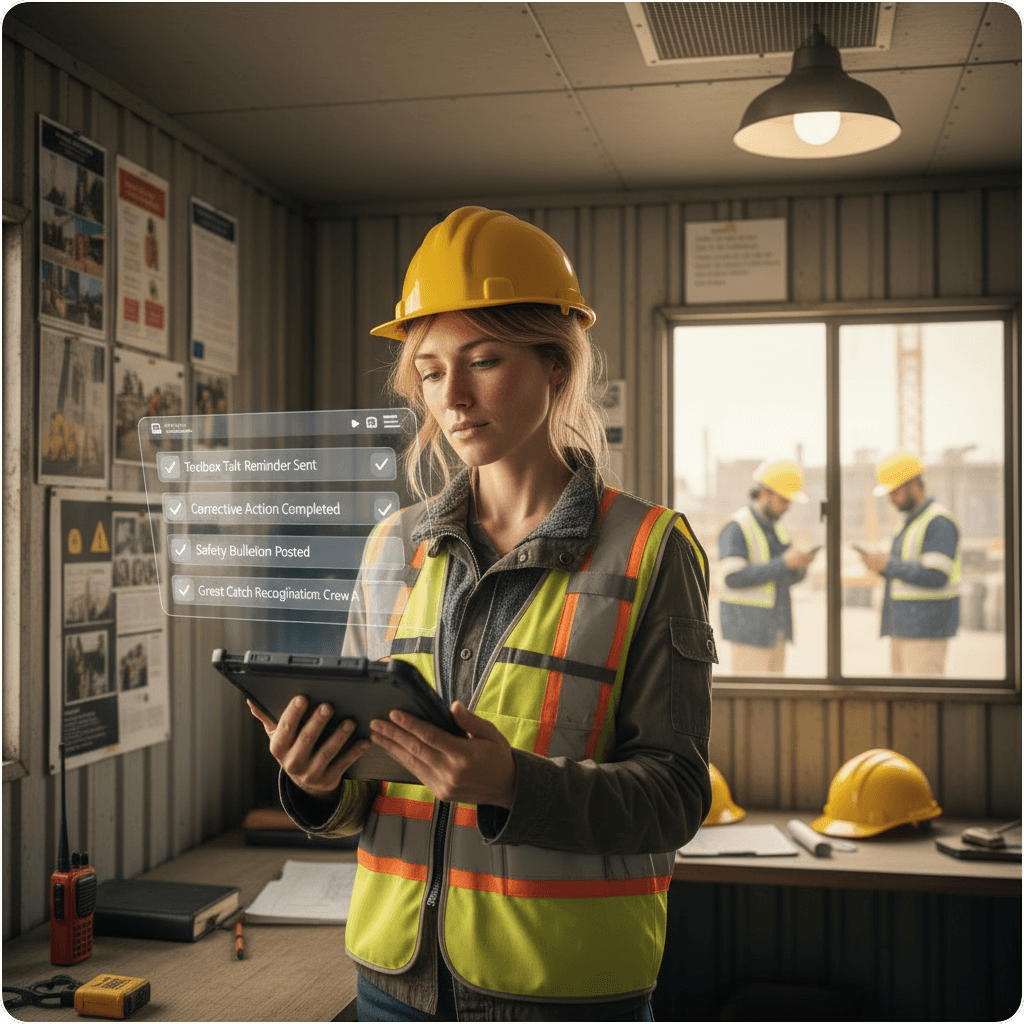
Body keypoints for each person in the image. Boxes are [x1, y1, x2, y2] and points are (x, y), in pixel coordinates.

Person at [248, 206, 715, 1021]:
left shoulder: (651, 550)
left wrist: (511, 784)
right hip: (393, 988)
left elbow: (675, 799)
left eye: (484, 360)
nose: (452, 397)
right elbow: (366, 796)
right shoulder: (394, 548)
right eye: (429, 371)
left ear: (557, 367)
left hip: (564, 995)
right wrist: (315, 783)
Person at [857, 451, 960, 677]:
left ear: (914, 486)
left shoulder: (938, 522)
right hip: (905, 627)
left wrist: (887, 565)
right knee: (904, 703)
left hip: (925, 630)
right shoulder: (911, 523)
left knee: (922, 704)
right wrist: (881, 566)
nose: (891, 498)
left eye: (894, 491)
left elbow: (936, 575)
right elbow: (904, 572)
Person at [717, 460, 816, 675]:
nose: (787, 506)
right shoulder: (736, 528)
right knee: (751, 705)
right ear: (764, 494)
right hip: (749, 633)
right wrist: (784, 563)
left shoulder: (777, 530)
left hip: (776, 630)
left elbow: (783, 578)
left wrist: (800, 566)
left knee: (775, 702)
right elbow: (731, 578)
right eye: (783, 500)